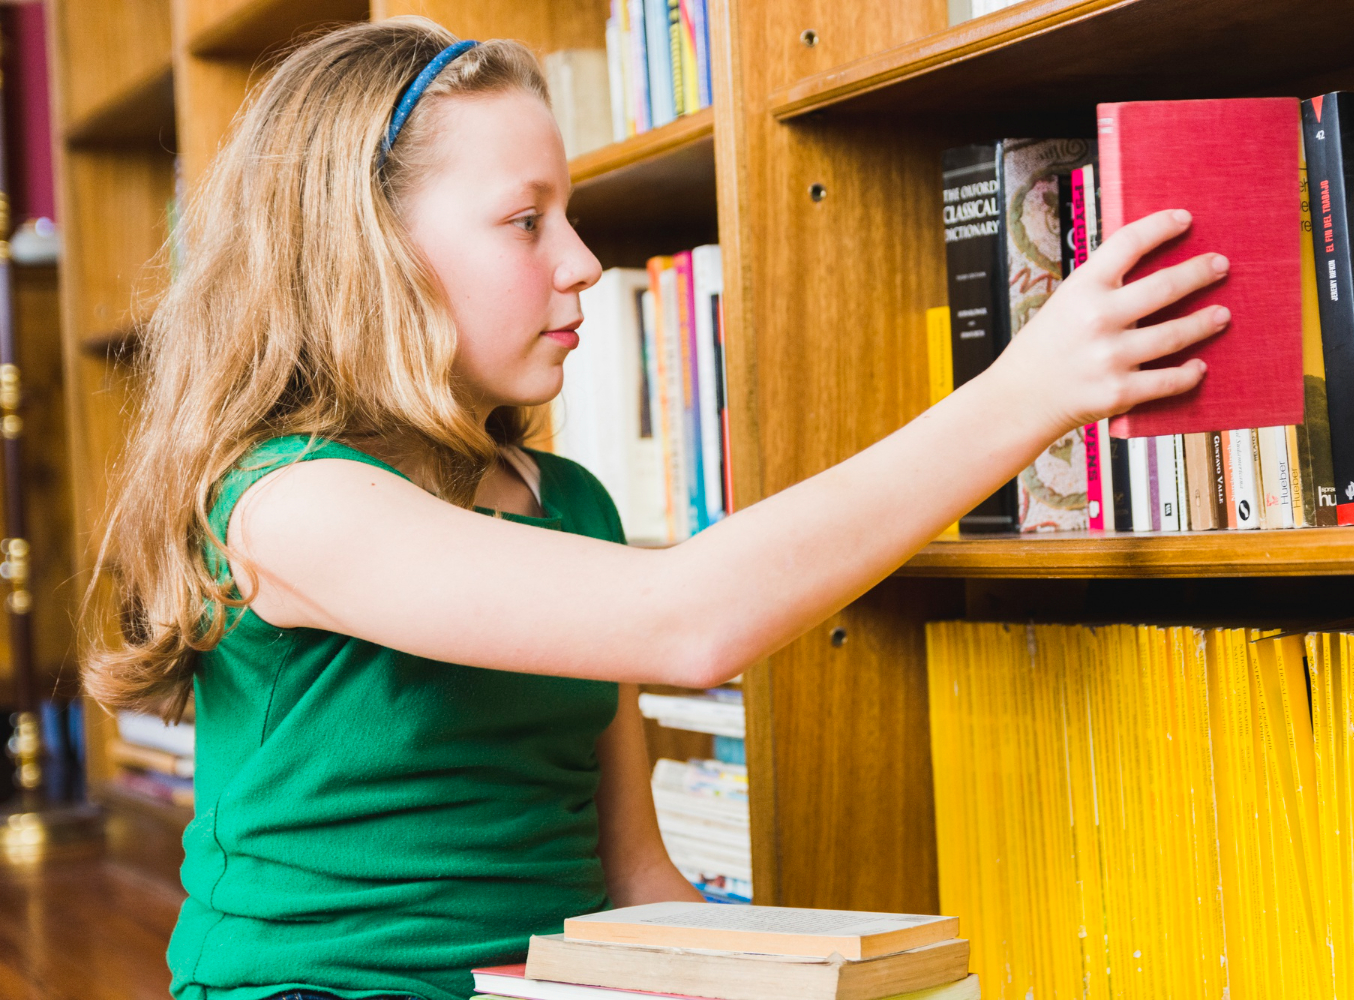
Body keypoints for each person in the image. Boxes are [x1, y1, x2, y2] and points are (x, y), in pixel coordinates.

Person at [82, 17, 1230, 1000]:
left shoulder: (566, 500)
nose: (582, 260)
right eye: (525, 220)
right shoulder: (291, 503)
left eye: (568, 213)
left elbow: (634, 880)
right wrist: (1028, 394)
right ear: (365, 249)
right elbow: (689, 620)